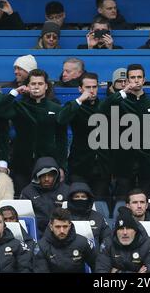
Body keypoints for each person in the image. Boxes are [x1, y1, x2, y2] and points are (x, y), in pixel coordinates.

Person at [0, 69, 67, 194]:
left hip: (48, 164)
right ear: (27, 86)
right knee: (21, 200)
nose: (36, 87)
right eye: (33, 84)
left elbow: (62, 140)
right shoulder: (19, 106)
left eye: (40, 83)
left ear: (46, 86)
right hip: (21, 163)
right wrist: (15, 92)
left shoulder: (56, 108)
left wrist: (61, 166)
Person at [99, 64, 150, 200]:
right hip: (123, 162)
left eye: (139, 77)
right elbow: (102, 109)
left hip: (147, 163)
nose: (136, 80)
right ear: (127, 81)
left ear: (144, 80)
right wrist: (123, 92)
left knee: (146, 202)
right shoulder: (119, 101)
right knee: (122, 203)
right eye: (132, 77)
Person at [57, 73, 111, 204]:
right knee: (78, 203)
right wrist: (79, 100)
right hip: (79, 166)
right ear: (80, 89)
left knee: (100, 205)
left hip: (101, 167)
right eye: (88, 87)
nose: (92, 90)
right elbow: (61, 120)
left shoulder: (104, 107)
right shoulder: (74, 106)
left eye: (94, 87)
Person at [95, 206, 150, 273]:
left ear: (135, 231)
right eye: (121, 229)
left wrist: (117, 272)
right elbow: (101, 270)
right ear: (116, 231)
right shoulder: (107, 243)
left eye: (128, 228)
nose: (125, 232)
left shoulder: (148, 244)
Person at [34, 207, 97, 273]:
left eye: (65, 226)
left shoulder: (82, 242)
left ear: (69, 226)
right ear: (51, 227)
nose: (62, 231)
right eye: (58, 227)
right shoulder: (41, 246)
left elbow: (98, 266)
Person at [20, 157, 69, 235]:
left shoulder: (66, 191)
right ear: (37, 176)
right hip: (36, 233)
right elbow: (25, 219)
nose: (46, 179)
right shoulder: (27, 192)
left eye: (50, 175)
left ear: (56, 176)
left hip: (61, 232)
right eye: (43, 175)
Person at [66, 182, 112, 248]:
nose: (80, 199)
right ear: (71, 199)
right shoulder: (62, 216)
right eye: (76, 197)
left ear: (89, 198)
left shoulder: (98, 217)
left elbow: (108, 238)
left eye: (83, 197)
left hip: (94, 257)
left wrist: (102, 256)